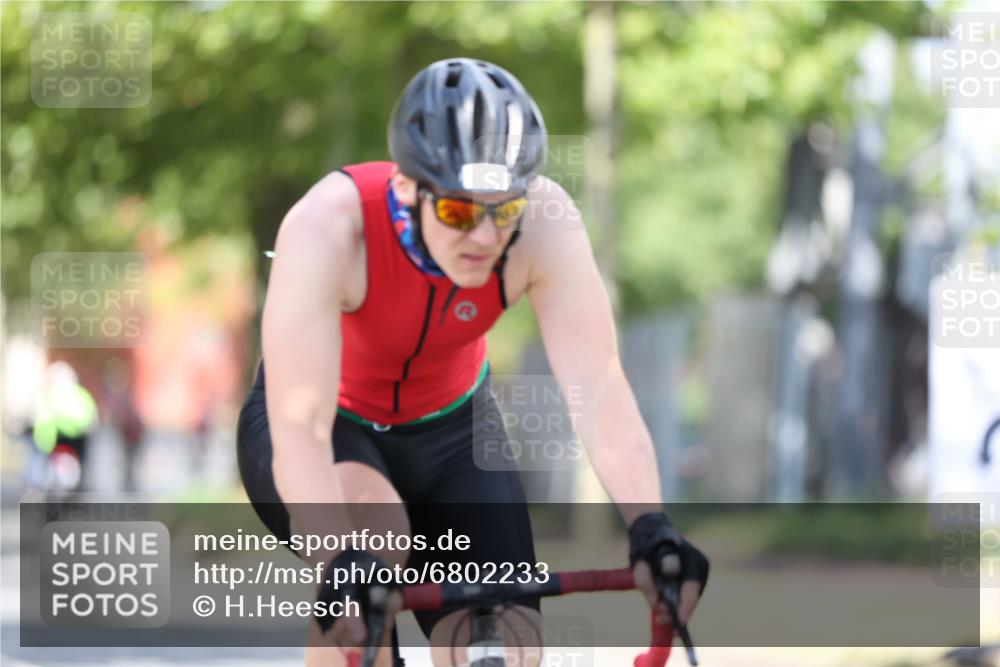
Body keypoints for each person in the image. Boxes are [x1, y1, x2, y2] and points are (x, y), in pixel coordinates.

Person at [236, 58, 709, 667]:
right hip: (332, 427)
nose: (484, 236)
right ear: (407, 190)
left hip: (457, 435)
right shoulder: (328, 227)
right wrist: (337, 558)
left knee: (506, 646)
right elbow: (300, 423)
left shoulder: (545, 226)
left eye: (503, 210)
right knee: (373, 548)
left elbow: (597, 385)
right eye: (459, 212)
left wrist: (651, 527)